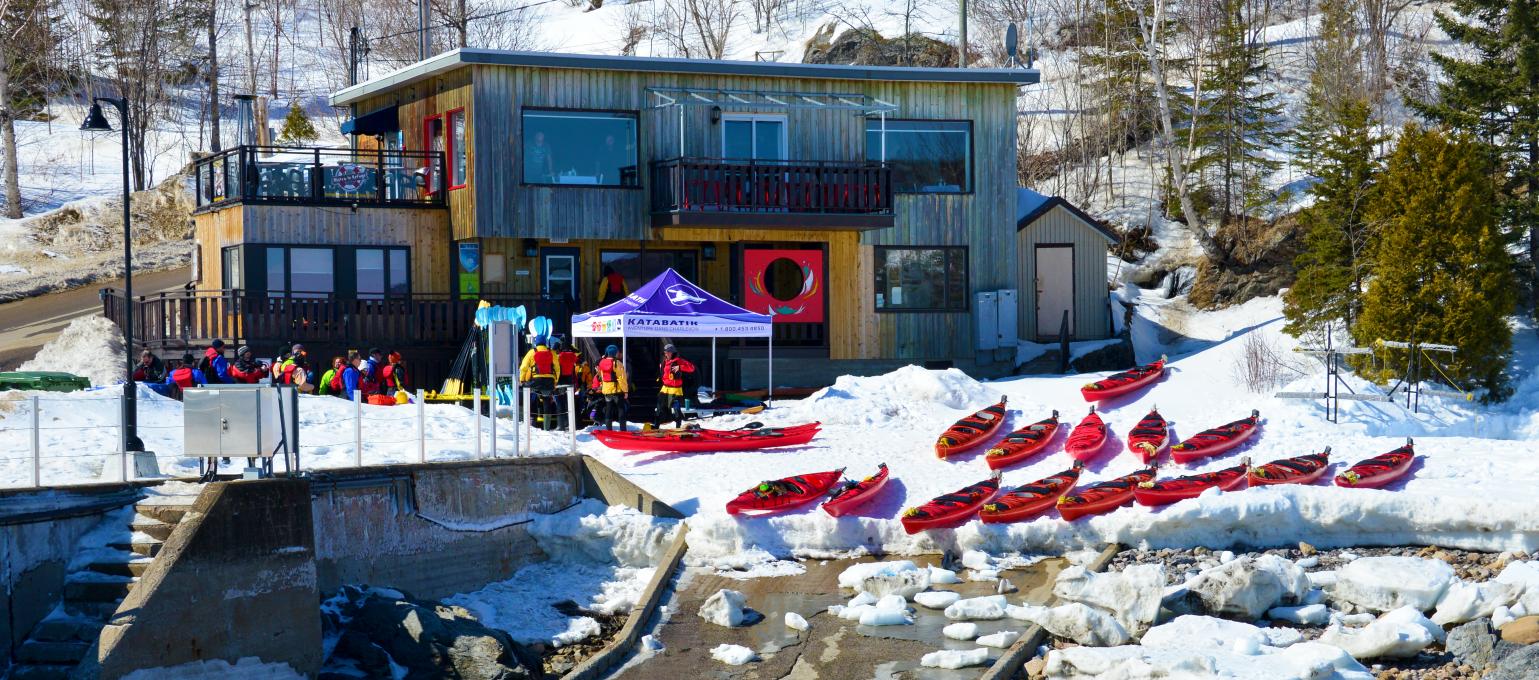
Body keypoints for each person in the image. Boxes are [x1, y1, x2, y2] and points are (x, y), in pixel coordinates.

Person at [519, 336, 560, 430]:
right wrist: (555, 381)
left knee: (533, 396)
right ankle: (547, 427)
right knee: (546, 400)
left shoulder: (532, 352)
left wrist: (522, 379)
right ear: (545, 342)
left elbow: (523, 367)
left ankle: (532, 422)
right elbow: (557, 368)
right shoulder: (551, 352)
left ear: (536, 343)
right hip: (549, 381)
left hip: (536, 380)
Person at [653, 343, 696, 430]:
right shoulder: (665, 361)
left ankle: (678, 427)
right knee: (659, 407)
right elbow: (664, 373)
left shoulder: (678, 360)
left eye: (668, 352)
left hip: (675, 389)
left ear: (672, 353)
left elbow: (692, 368)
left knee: (676, 410)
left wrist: (680, 367)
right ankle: (656, 426)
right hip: (665, 388)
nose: (666, 354)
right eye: (665, 352)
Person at [594, 345, 629, 431]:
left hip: (607, 390)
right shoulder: (617, 363)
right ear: (615, 353)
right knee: (621, 408)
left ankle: (609, 429)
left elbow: (601, 376)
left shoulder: (602, 362)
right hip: (617, 390)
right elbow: (621, 378)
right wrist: (625, 391)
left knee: (608, 408)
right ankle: (623, 429)